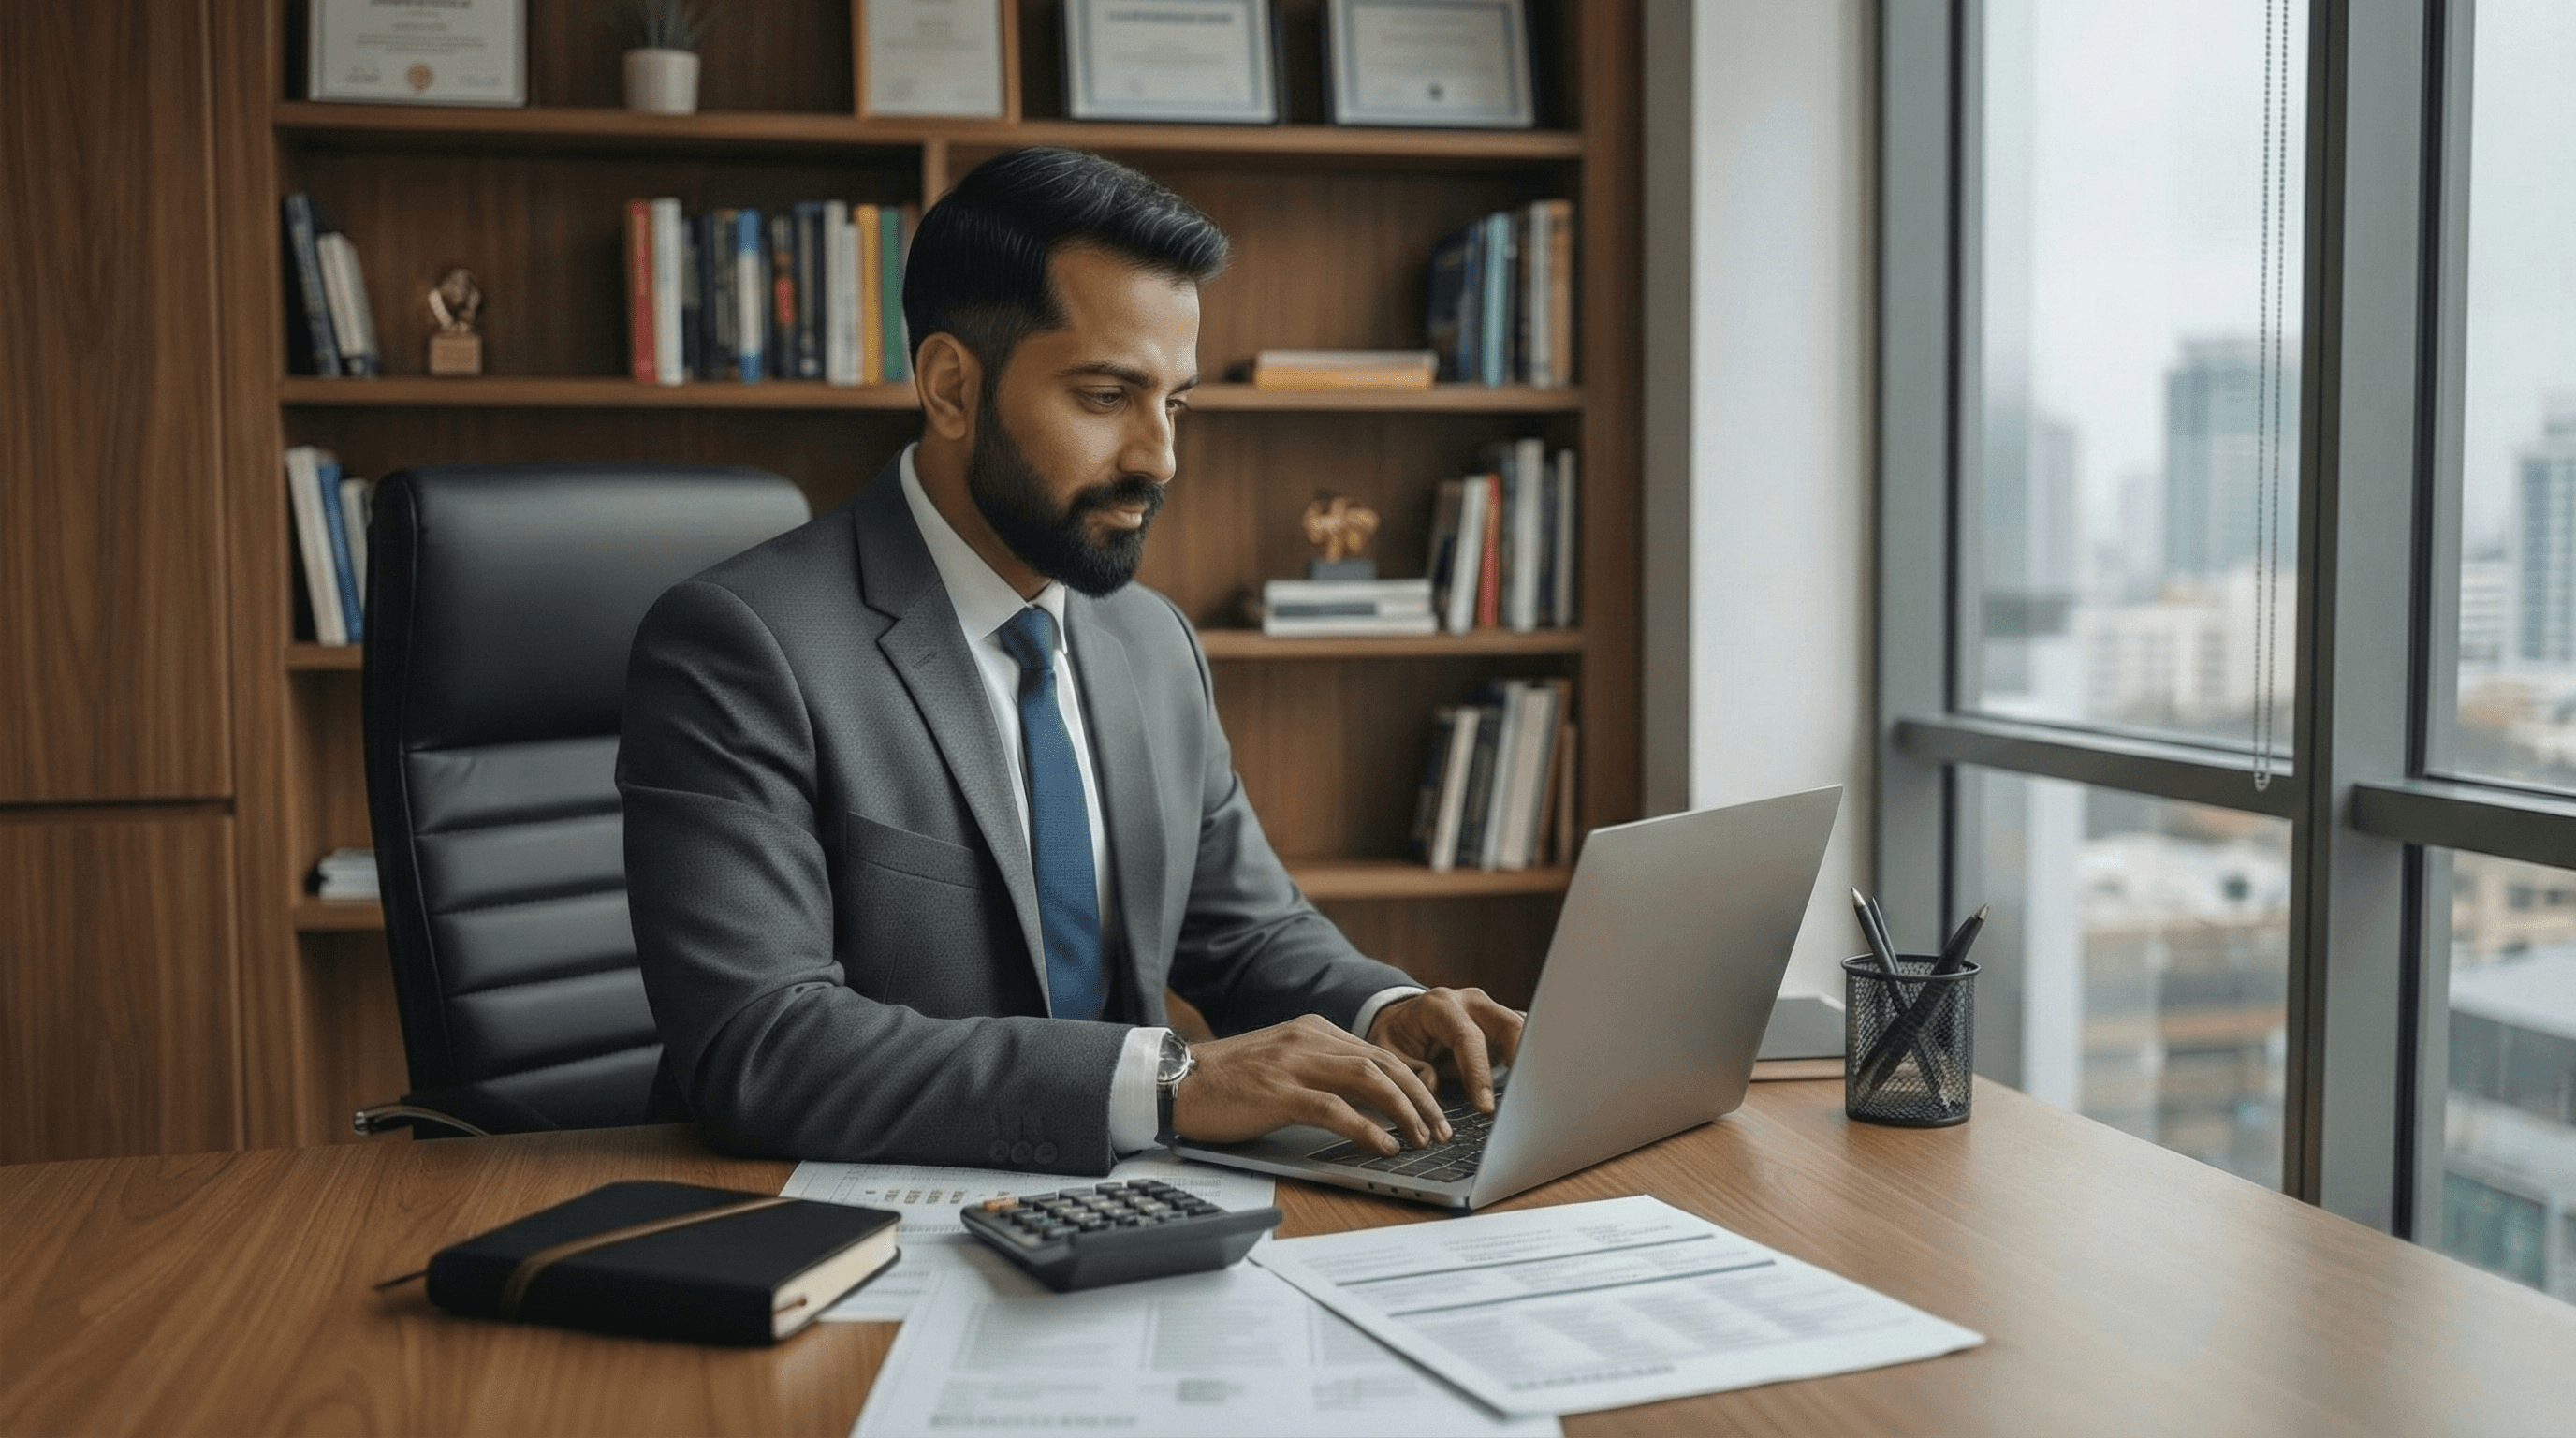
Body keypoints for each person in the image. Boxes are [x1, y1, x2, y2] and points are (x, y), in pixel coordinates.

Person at [620, 148, 1522, 1174]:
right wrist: (1175, 1083)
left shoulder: (1153, 641)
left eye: (1173, 403)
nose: (1159, 457)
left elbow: (1246, 933)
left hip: (1129, 1213)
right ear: (952, 386)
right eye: (1106, 396)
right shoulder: (741, 644)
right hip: (846, 1226)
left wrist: (1386, 1010)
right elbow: (761, 1046)